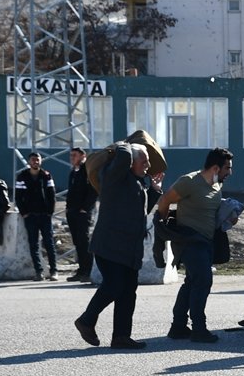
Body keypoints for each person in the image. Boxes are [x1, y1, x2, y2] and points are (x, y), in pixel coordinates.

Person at [74, 142, 163, 350]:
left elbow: (140, 212)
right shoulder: (113, 177)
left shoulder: (136, 183)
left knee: (128, 291)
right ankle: (86, 320)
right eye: (144, 160)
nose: (148, 165)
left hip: (130, 249)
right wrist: (126, 144)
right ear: (130, 161)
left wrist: (155, 191)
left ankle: (121, 336)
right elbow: (123, 157)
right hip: (110, 245)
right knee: (114, 285)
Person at [157, 148, 234, 343]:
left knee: (192, 282)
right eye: (227, 168)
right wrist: (166, 227)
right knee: (203, 281)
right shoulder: (189, 181)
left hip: (207, 242)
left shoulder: (217, 185)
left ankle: (178, 327)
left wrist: (229, 218)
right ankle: (199, 329)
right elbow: (164, 200)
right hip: (189, 241)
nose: (230, 172)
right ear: (216, 167)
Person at [15, 152, 58, 281]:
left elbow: (52, 195)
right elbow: (18, 197)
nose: (35, 162)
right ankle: (39, 271)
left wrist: (50, 212)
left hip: (44, 215)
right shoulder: (22, 176)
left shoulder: (46, 175)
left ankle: (54, 271)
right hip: (30, 216)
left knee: (49, 243)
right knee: (33, 244)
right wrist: (24, 213)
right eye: (33, 160)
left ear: (41, 161)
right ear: (29, 162)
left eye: (37, 160)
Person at [65, 147, 98, 282]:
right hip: (72, 212)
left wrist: (85, 208)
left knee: (84, 242)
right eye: (71, 156)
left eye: (75, 155)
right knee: (77, 242)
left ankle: (88, 270)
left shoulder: (87, 170)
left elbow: (93, 190)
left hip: (83, 213)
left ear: (83, 156)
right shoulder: (74, 172)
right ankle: (81, 270)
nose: (72, 158)